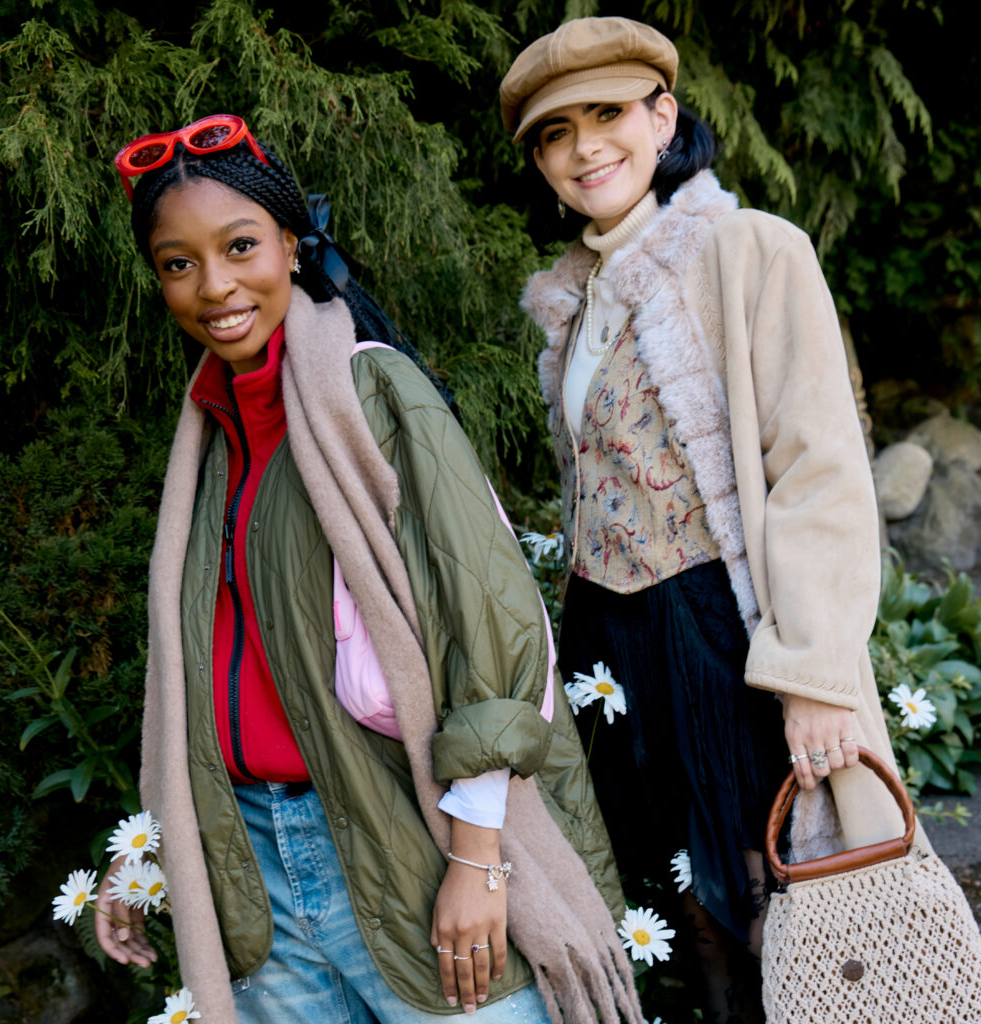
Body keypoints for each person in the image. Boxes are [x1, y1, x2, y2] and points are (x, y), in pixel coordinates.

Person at [93, 114, 644, 1024]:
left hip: (411, 839)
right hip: (254, 867)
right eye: (178, 263)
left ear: (292, 246)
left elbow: (492, 624)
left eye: (239, 247)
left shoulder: (372, 395)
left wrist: (477, 859)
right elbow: (201, 681)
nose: (214, 286)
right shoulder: (209, 447)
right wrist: (152, 846)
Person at [500, 17, 921, 1023]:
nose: (584, 147)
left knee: (775, 887)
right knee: (675, 903)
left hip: (728, 632)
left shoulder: (748, 250)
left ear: (663, 117)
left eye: (607, 115)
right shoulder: (576, 296)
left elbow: (818, 471)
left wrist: (813, 673)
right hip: (615, 638)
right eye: (556, 133)